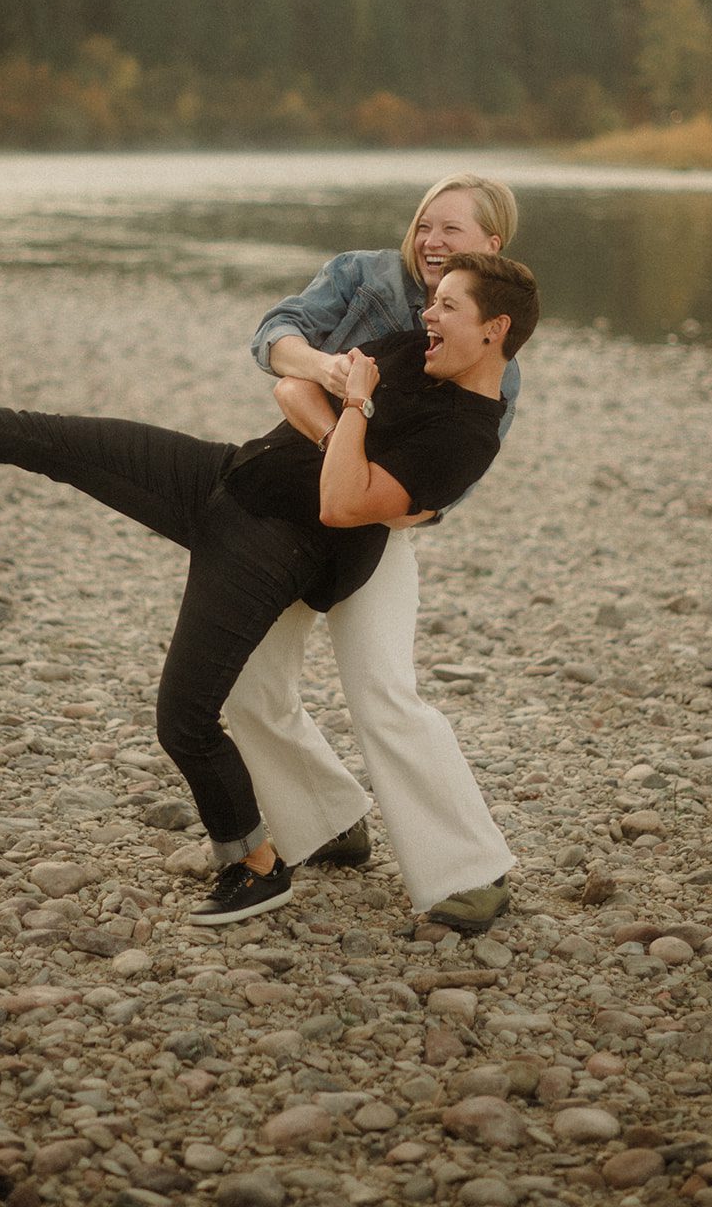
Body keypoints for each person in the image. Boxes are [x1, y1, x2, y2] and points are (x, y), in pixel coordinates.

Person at [0, 254, 539, 927]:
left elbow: (341, 506)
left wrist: (354, 412)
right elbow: (290, 387)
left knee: (184, 717)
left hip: (270, 545)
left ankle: (252, 867)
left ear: (494, 329)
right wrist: (347, 424)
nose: (426, 316)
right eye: (430, 301)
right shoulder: (410, 352)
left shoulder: (466, 435)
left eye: (446, 306)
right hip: (219, 474)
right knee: (47, 439)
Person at [224, 173, 524, 929]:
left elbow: (435, 493)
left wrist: (347, 459)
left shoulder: (495, 356)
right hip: (289, 505)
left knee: (384, 693)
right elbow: (275, 340)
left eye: (450, 230)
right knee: (244, 681)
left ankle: (468, 869)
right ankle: (325, 817)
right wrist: (323, 375)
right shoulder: (362, 275)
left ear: (490, 246)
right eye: (425, 224)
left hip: (378, 531)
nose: (430, 241)